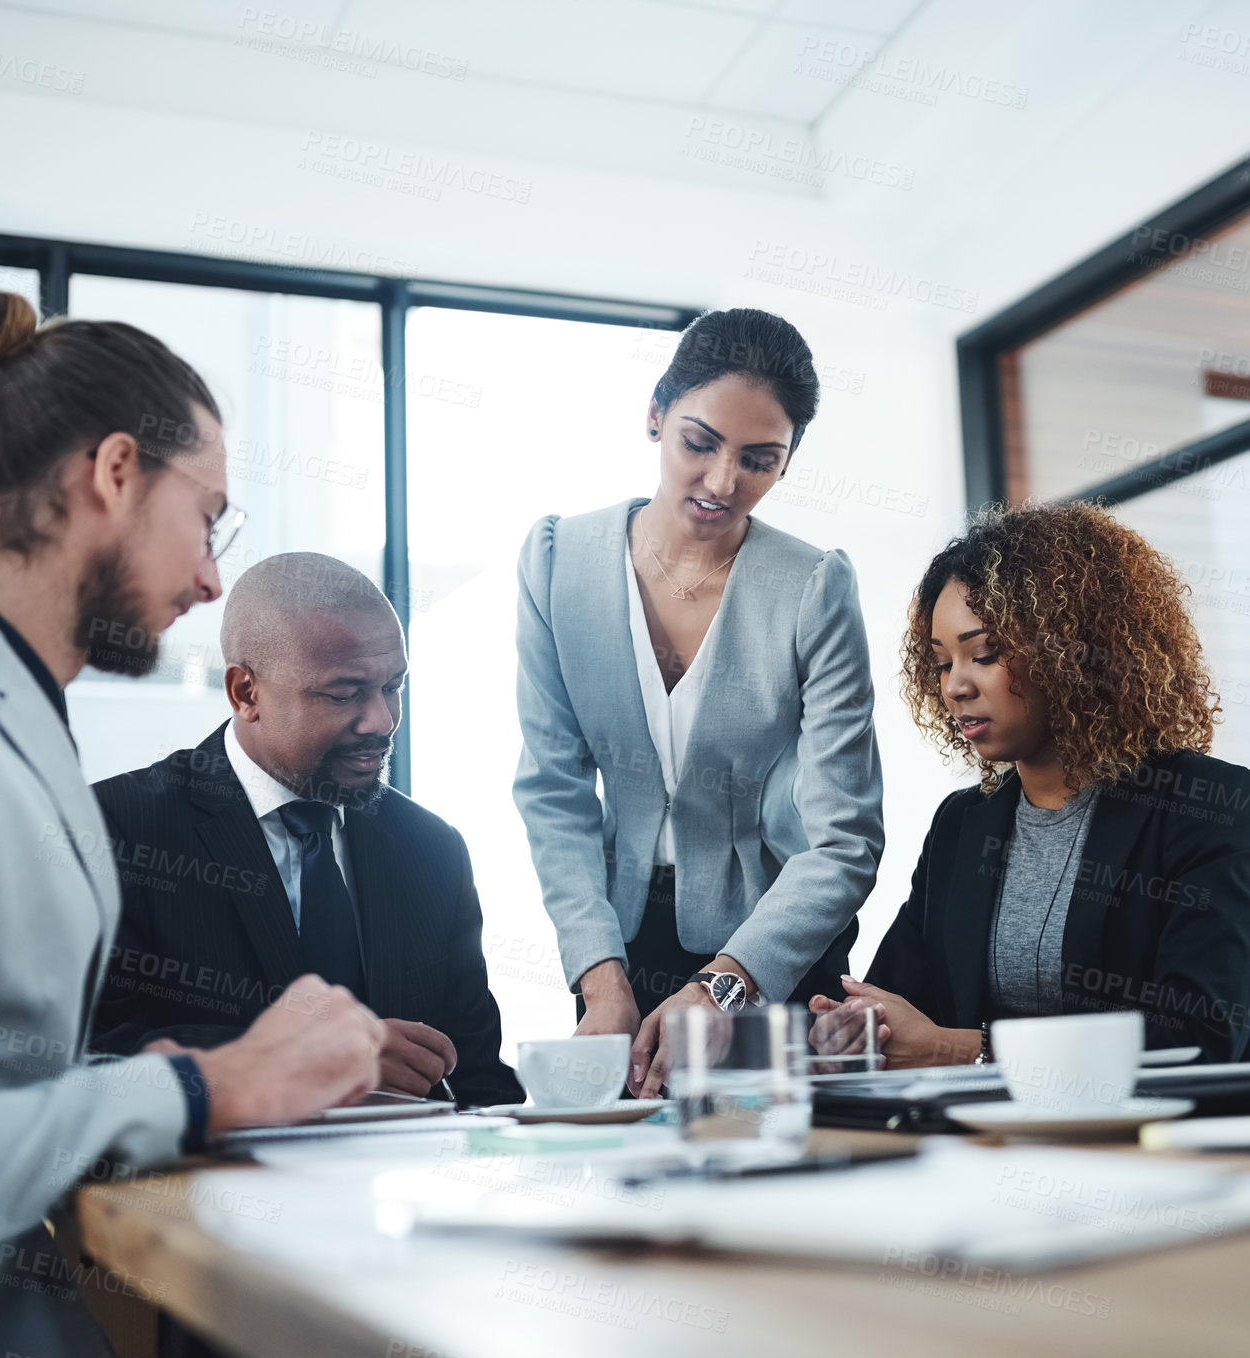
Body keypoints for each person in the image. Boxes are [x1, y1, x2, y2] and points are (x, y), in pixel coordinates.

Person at [0, 291, 385, 1358]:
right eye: (208, 518)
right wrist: (194, 1087)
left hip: (18, 1328)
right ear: (117, 473)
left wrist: (149, 1078)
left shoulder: (11, 709)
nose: (211, 578)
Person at [513, 307, 884, 1097]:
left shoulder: (814, 589)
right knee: (628, 1189)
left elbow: (845, 837)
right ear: (655, 415)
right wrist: (600, 978)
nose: (723, 482)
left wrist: (726, 984)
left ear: (788, 461)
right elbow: (554, 790)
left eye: (760, 459)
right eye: (699, 442)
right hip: (618, 940)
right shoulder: (557, 564)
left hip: (777, 946)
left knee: (769, 1173)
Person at [816, 501, 1250, 1067]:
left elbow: (1201, 1039)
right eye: (942, 663)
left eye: (985, 654)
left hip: (1151, 1144)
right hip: (980, 1140)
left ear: (1073, 652)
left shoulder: (1212, 809)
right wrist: (859, 1028)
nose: (955, 688)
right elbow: (905, 1001)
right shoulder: (961, 824)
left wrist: (962, 1049)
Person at [91, 552, 525, 1110]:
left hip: (399, 1188)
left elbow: (479, 1083)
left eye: (393, 686)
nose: (383, 721)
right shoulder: (119, 830)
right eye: (344, 694)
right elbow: (89, 1058)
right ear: (245, 693)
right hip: (204, 1189)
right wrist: (320, 1059)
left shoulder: (432, 850)